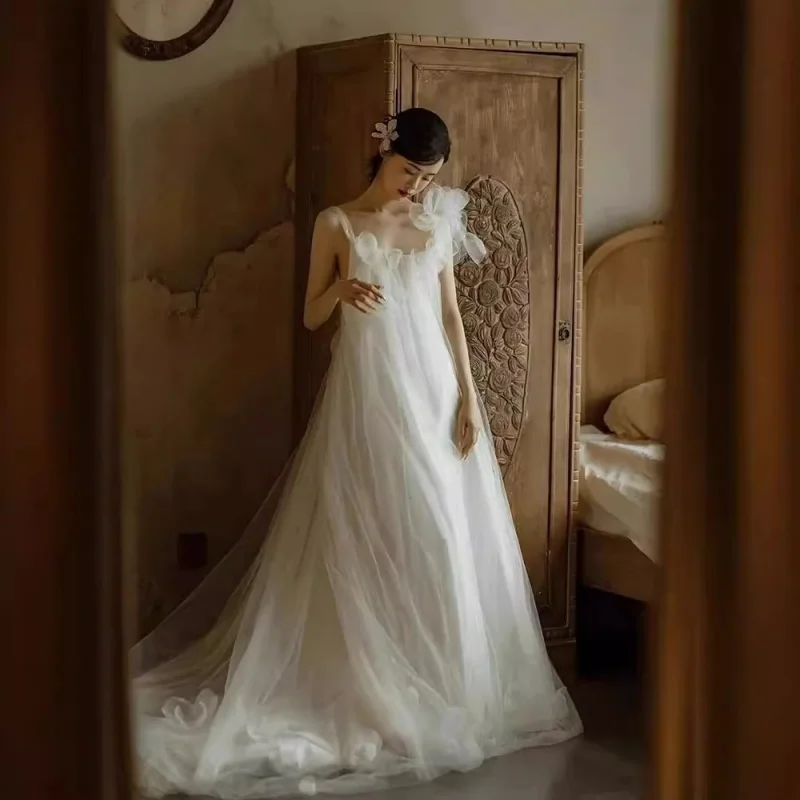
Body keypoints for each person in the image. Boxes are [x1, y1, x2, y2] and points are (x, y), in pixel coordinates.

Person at [131, 107, 582, 799]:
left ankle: (438, 685)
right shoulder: (337, 223)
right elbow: (311, 316)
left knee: (439, 535)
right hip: (369, 395)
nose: (415, 189)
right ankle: (368, 682)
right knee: (371, 530)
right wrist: (341, 289)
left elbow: (452, 318)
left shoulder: (433, 224)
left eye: (428, 178)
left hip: (431, 393)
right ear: (383, 154)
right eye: (408, 173)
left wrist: (470, 399)